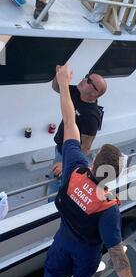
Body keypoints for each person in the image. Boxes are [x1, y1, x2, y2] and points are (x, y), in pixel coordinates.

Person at [25, 65, 136, 277]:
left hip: (62, 238)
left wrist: (64, 84)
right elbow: (117, 257)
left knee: (51, 275)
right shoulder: (108, 208)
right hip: (86, 252)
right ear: (114, 176)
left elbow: (69, 120)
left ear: (94, 161)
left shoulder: (74, 167)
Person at [48, 69, 107, 201]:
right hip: (60, 148)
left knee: (57, 184)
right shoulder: (76, 91)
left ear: (95, 94)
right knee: (54, 177)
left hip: (68, 156)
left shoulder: (91, 117)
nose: (85, 79)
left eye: (90, 81)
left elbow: (85, 148)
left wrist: (66, 163)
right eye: (87, 77)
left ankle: (52, 208)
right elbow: (56, 87)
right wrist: (59, 73)